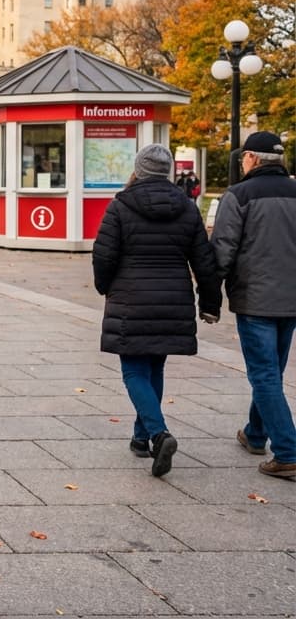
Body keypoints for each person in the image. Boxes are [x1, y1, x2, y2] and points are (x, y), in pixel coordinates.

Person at [91, 144, 221, 477]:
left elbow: (104, 255)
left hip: (131, 298)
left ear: (139, 169)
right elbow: (204, 261)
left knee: (134, 371)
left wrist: (105, 287)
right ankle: (141, 437)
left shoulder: (120, 206)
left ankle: (158, 433)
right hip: (172, 298)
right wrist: (209, 303)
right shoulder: (188, 208)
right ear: (168, 171)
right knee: (155, 367)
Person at [211, 131, 296, 480]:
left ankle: (288, 451)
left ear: (250, 159)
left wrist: (210, 293)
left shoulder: (239, 195)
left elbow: (222, 250)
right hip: (291, 300)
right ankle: (255, 433)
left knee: (263, 374)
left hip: (255, 299)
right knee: (271, 371)